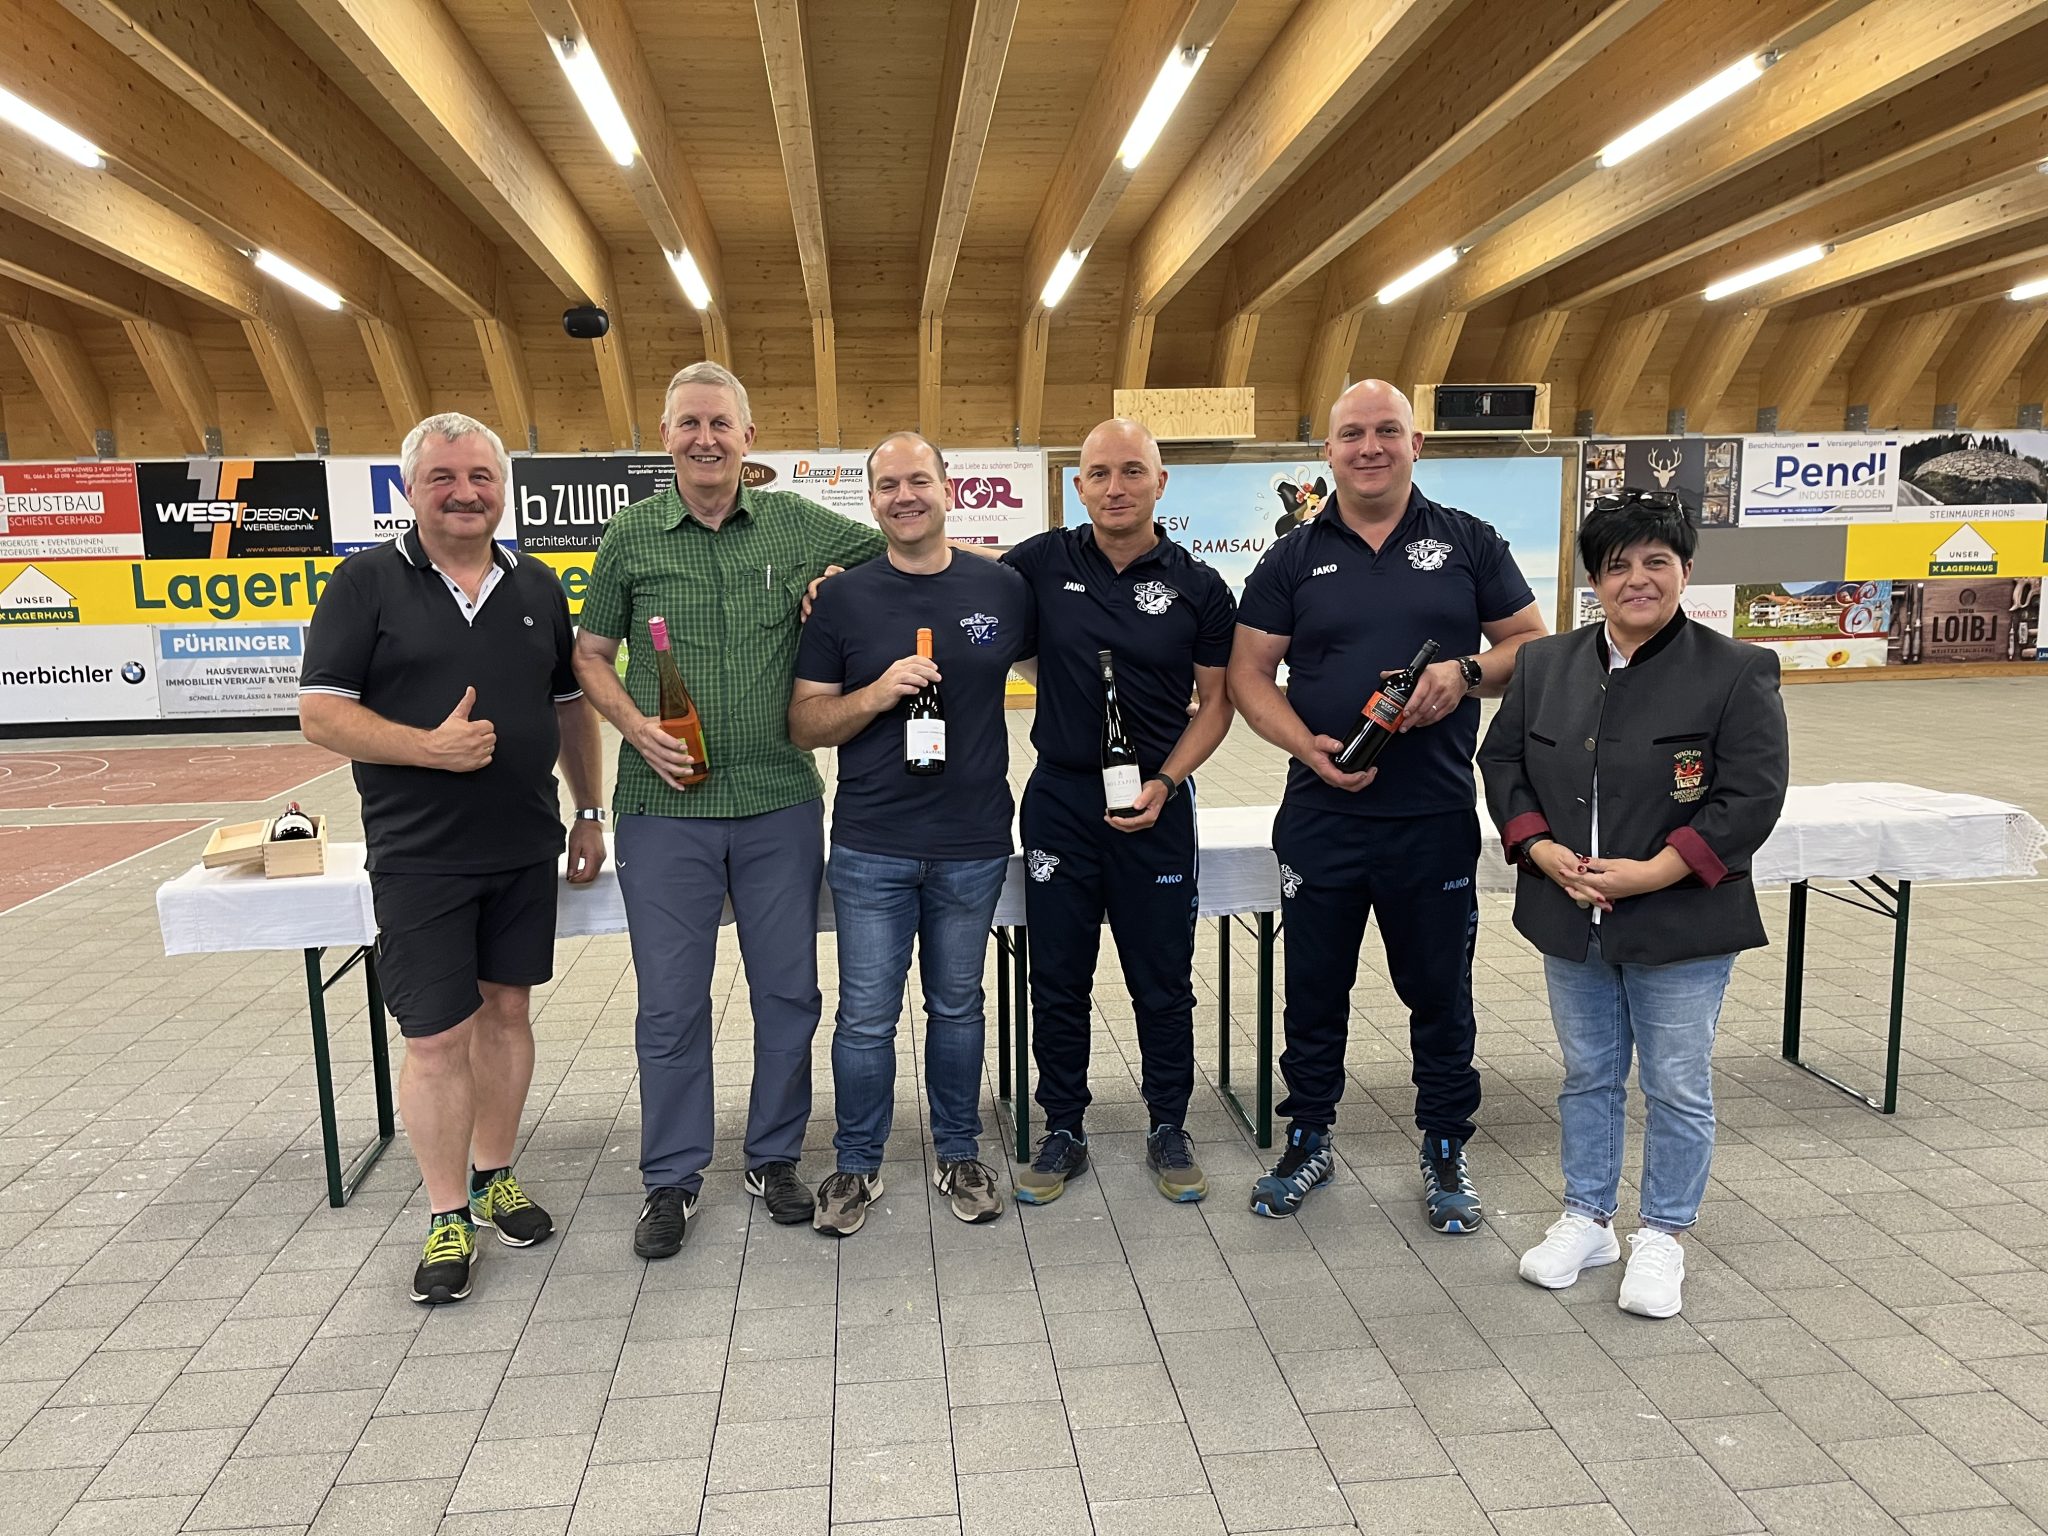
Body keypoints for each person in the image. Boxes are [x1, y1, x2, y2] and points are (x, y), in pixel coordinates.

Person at [571, 362, 887, 1258]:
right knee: (672, 1006)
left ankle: (774, 1157)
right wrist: (634, 727)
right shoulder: (631, 537)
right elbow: (591, 654)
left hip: (779, 799)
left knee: (788, 995)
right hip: (664, 810)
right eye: (687, 424)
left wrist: (834, 582)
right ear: (664, 437)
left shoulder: (794, 523)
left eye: (721, 424)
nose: (704, 439)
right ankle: (671, 1178)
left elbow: (893, 558)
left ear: (749, 440)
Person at [299, 411, 606, 1305]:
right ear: (409, 489)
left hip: (522, 846)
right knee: (436, 1039)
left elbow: (567, 709)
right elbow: (321, 713)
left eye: (480, 477)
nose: (465, 492)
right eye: (443, 478)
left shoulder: (538, 586)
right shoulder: (366, 584)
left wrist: (588, 809)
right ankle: (444, 1217)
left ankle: (493, 1172)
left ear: (502, 489)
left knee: (507, 1012)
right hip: (419, 856)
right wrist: (424, 748)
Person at [1229, 379, 1548, 1229]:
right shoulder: (1293, 555)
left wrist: (1464, 672)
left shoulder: (1468, 543)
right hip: (1321, 816)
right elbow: (1248, 675)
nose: (1369, 447)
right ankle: (1308, 1139)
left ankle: (1446, 1147)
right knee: (1314, 991)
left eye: (1386, 432)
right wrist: (1307, 747)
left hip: (1434, 818)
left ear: (1417, 445)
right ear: (1326, 452)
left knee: (1440, 995)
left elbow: (1532, 645)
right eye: (1351, 435)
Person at [1478, 490, 1788, 1318]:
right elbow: (1501, 762)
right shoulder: (1545, 665)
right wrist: (1538, 849)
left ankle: (1663, 1233)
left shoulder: (1736, 670)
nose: (1638, 580)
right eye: (1618, 566)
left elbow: (1750, 797)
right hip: (1566, 912)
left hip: (1681, 920)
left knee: (1678, 1083)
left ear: (1687, 571)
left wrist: (1655, 873)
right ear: (1593, 581)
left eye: (1657, 562)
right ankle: (1587, 1216)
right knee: (1587, 1075)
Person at [789, 432, 1035, 1236]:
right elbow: (805, 722)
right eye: (887, 484)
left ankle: (959, 1151)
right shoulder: (843, 600)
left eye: (918, 481)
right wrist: (874, 695)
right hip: (872, 845)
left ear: (947, 490)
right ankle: (857, 1164)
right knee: (865, 1015)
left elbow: (1062, 662)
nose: (905, 495)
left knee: (958, 1006)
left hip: (971, 842)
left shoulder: (1001, 588)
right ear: (872, 501)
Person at [999, 418, 1237, 1204]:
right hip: (1061, 798)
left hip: (1156, 800)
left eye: (1132, 471)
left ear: (1161, 483)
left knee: (1160, 979)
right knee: (1058, 977)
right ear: (1079, 486)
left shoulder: (1200, 586)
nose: (1115, 487)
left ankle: (1169, 1122)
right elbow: (951, 575)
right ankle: (1062, 1125)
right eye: (1098, 473)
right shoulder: (1041, 561)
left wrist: (1166, 782)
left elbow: (1217, 704)